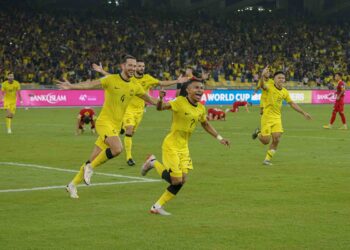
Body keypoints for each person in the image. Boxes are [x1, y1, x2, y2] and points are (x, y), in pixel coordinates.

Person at [56, 55, 159, 199]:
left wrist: (166, 104)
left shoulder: (135, 86)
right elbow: (90, 85)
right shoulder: (111, 80)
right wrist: (72, 86)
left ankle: (72, 185)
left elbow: (151, 100)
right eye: (130, 65)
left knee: (93, 158)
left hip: (115, 126)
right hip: (104, 122)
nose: (133, 68)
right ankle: (90, 169)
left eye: (135, 66)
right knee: (117, 149)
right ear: (123, 66)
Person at [141, 80, 230, 215]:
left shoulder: (201, 108)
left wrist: (220, 138)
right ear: (188, 90)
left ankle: (156, 206)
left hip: (184, 147)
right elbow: (160, 108)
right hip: (171, 144)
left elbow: (205, 124)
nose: (200, 90)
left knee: (182, 180)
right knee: (176, 180)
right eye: (196, 88)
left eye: (201, 88)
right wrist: (160, 98)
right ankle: (153, 163)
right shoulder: (179, 102)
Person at [93, 60, 188, 166]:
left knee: (131, 133)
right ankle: (129, 157)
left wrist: (176, 81)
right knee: (129, 130)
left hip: (140, 111)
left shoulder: (148, 78)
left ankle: (120, 130)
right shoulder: (129, 77)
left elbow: (161, 83)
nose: (141, 68)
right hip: (128, 110)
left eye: (143, 66)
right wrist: (102, 71)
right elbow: (114, 78)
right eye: (139, 66)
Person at [252, 68, 312, 165]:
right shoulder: (269, 86)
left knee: (276, 139)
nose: (281, 80)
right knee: (265, 141)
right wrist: (262, 75)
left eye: (283, 78)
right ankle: (258, 133)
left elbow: (292, 103)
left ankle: (267, 160)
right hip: (267, 117)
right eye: (279, 78)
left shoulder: (284, 91)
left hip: (277, 118)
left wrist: (303, 112)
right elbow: (262, 85)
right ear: (274, 79)